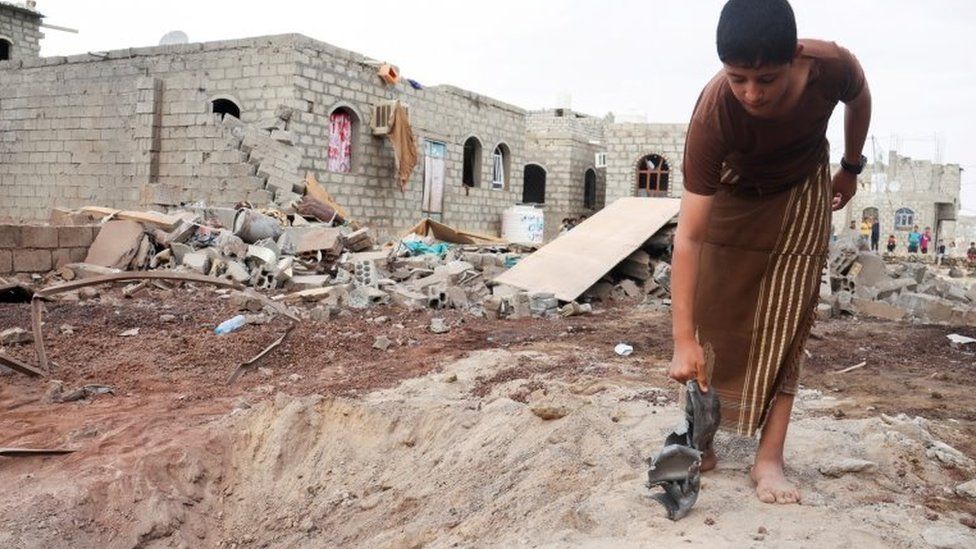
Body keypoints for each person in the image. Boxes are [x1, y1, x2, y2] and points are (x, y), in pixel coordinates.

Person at [668, 0, 870, 505]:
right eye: (738, 79)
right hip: (733, 191)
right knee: (712, 316)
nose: (752, 94)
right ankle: (702, 443)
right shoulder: (714, 112)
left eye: (767, 80)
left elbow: (861, 97)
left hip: (802, 186)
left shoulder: (832, 66)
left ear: (795, 57)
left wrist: (850, 166)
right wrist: (680, 340)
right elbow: (689, 237)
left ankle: (769, 459)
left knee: (789, 316)